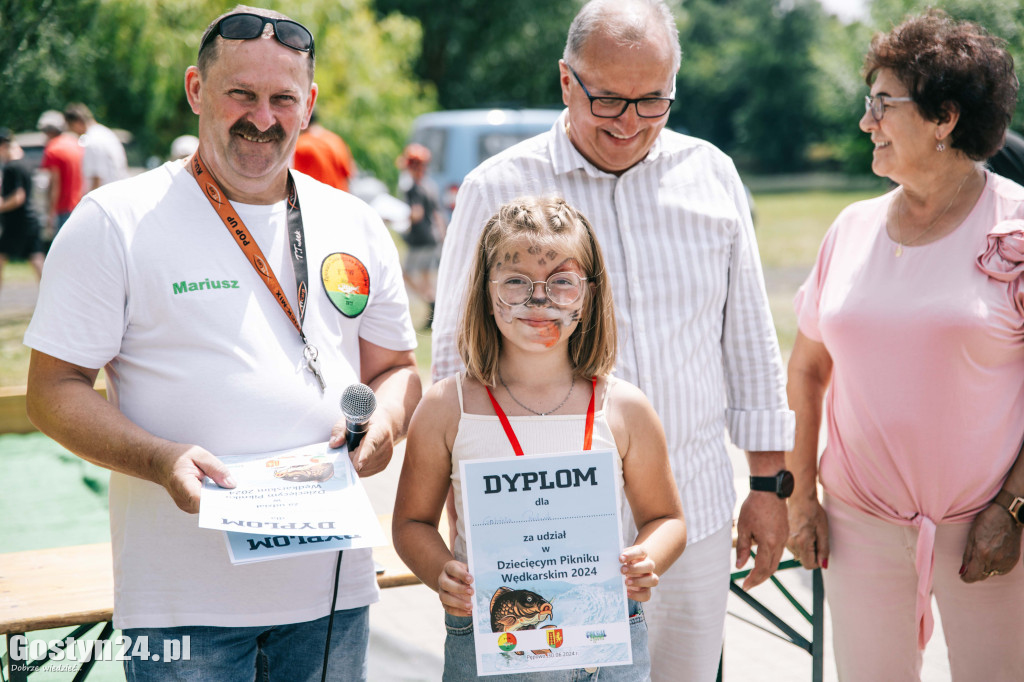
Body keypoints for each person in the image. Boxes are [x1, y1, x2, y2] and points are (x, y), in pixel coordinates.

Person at [23, 6, 421, 681]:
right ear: (197, 90)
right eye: (241, 93)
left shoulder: (353, 221)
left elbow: (397, 370)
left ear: (310, 104)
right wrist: (160, 459)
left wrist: (385, 420)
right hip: (182, 607)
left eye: (282, 98)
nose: (261, 117)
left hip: (331, 595)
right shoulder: (112, 222)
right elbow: (51, 391)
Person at [430, 2, 794, 679]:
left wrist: (771, 486)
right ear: (566, 81)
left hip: (691, 514)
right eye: (607, 100)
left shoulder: (711, 175)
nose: (628, 123)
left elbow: (748, 340)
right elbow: (455, 359)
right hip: (539, 533)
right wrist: (470, 521)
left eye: (651, 102)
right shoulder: (496, 187)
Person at [786, 10, 1024, 680]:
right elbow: (807, 369)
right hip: (859, 523)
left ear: (944, 118)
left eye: (882, 105)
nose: (867, 123)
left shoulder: (1017, 227)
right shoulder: (850, 228)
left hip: (993, 527)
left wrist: (1013, 508)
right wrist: (802, 495)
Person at [393, 196, 687, 680]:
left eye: (562, 283)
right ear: (486, 293)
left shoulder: (624, 407)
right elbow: (411, 522)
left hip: (604, 644)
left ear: (590, 294)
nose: (539, 299)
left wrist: (646, 557)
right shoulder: (448, 407)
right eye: (515, 281)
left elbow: (667, 518)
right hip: (490, 644)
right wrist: (440, 570)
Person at [398, 143, 445, 327]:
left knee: (405, 273)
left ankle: (432, 303)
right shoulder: (430, 185)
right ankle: (433, 308)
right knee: (426, 278)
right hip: (432, 238)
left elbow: (416, 214)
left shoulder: (412, 188)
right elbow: (437, 214)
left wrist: (397, 216)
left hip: (419, 240)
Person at [0, 128, 45, 294]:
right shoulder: (24, 163)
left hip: (16, 222)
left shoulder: (11, 167)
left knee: (1, 258)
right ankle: (49, 294)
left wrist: (2, 205)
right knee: (37, 257)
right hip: (30, 219)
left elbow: (18, 197)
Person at [36, 109, 83, 237]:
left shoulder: (53, 149)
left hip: (62, 208)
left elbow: (55, 185)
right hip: (79, 204)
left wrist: (50, 213)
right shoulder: (76, 143)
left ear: (49, 132)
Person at [64, 102, 129, 192]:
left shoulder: (91, 140)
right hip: (118, 192)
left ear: (77, 122)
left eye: (71, 127)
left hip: (106, 197)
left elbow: (96, 178)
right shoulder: (105, 133)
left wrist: (88, 204)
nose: (73, 132)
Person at [293, 109, 356, 191]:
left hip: (315, 200)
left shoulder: (301, 145)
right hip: (341, 199)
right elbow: (351, 172)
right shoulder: (336, 140)